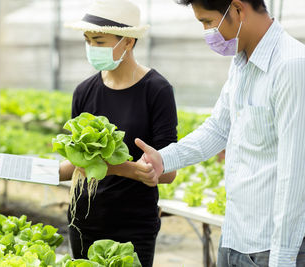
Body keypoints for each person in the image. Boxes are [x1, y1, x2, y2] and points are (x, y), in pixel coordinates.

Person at [134, 0, 305, 266]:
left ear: (237, 9)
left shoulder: (291, 66)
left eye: (207, 21)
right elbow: (217, 129)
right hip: (235, 235)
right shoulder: (241, 62)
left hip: (271, 248)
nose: (207, 33)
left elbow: (295, 173)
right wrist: (164, 159)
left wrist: (283, 258)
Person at [59, 0, 178, 266]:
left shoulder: (156, 91)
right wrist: (25, 169)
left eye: (99, 41)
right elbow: (75, 163)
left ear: (127, 41)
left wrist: (128, 169)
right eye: (87, 40)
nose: (91, 48)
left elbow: (168, 172)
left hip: (133, 227)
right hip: (83, 221)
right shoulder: (84, 91)